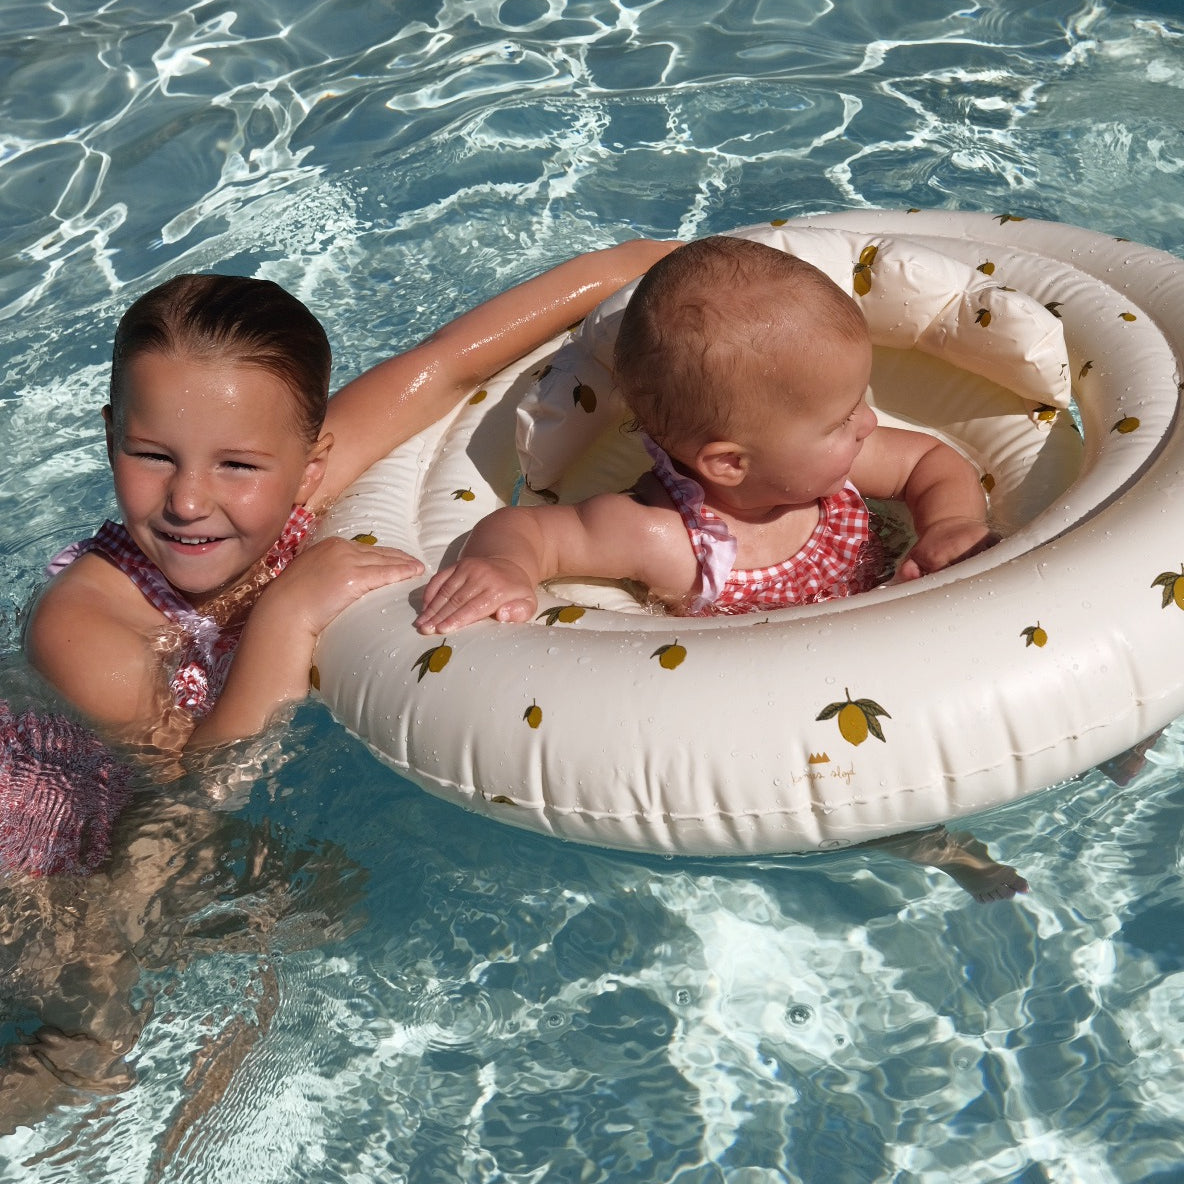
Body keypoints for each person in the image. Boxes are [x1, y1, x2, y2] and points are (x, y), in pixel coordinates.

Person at [24, 240, 674, 756]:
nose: (189, 501)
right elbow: (189, 802)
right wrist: (286, 613)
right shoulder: (81, 628)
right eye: (153, 455)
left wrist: (629, 265)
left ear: (311, 469)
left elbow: (446, 366)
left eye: (238, 465)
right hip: (50, 864)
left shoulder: (298, 482)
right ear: (110, 438)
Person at [414, 235, 997, 634]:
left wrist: (948, 525)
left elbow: (930, 463)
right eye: (841, 419)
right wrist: (505, 566)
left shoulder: (834, 472)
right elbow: (524, 529)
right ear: (729, 463)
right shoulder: (660, 536)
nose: (868, 424)